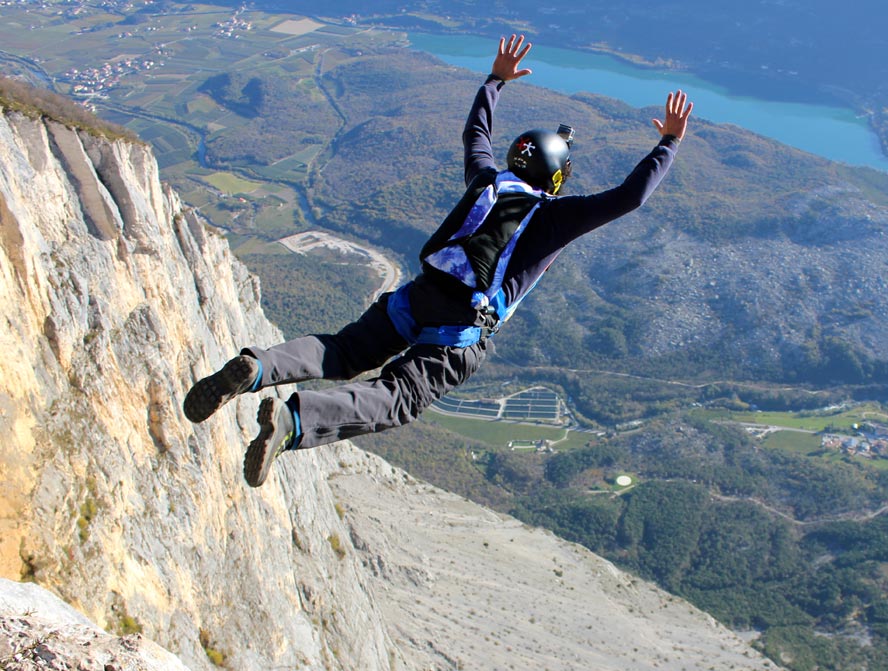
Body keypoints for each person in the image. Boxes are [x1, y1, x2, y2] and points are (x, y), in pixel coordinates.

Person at [184, 34, 693, 487]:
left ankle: (258, 367)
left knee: (342, 350)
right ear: (557, 178)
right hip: (460, 330)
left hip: (417, 296)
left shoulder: (486, 179)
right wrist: (668, 142)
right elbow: (631, 196)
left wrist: (495, 81)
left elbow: (475, 134)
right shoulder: (554, 218)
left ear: (517, 156)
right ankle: (294, 423)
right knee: (397, 396)